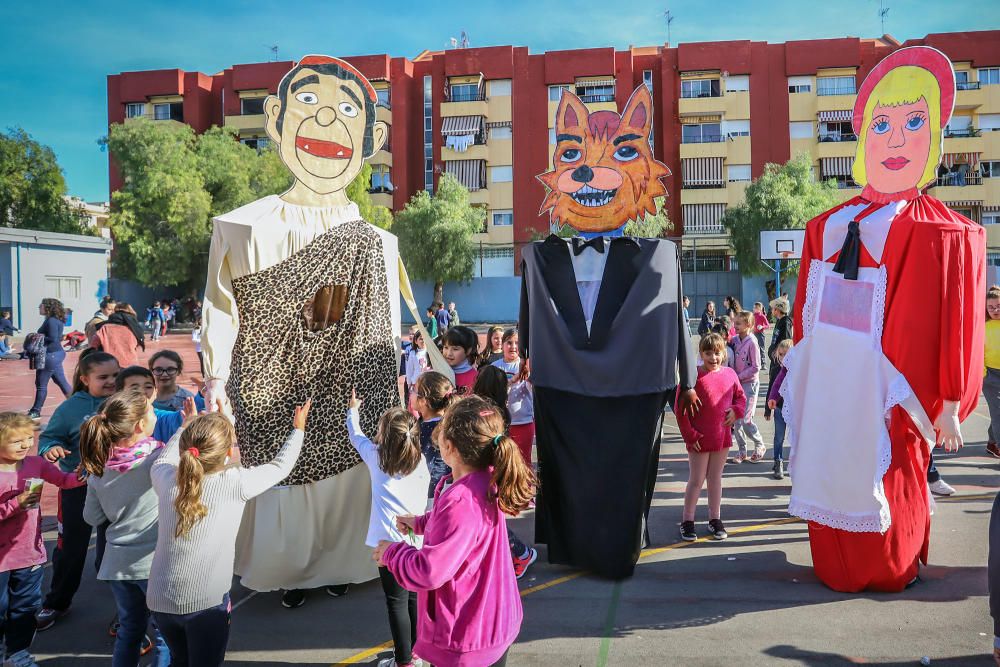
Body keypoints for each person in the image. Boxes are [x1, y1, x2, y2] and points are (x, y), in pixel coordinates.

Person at [782, 47, 985, 593]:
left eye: (915, 122)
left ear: (935, 138)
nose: (896, 139)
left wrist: (948, 401)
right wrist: (801, 372)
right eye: (883, 122)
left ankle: (891, 563)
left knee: (889, 477)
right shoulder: (826, 226)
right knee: (833, 473)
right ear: (863, 133)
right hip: (832, 394)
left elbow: (957, 319)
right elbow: (805, 316)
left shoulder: (943, 231)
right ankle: (840, 563)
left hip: (889, 400)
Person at [148, 399, 311, 665]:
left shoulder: (166, 479)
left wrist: (186, 424)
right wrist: (298, 429)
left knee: (179, 659)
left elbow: (166, 457)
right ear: (227, 454)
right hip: (206, 603)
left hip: (159, 598)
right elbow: (281, 466)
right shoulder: (235, 483)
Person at [375, 396, 532, 667]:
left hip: (466, 638)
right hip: (494, 622)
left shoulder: (461, 500)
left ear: (449, 447)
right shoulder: (488, 477)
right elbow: (467, 532)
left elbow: (429, 572)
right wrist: (422, 522)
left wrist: (392, 553)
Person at [79, 390, 170, 666]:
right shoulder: (157, 460)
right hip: (152, 561)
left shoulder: (99, 466)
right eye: (152, 412)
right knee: (165, 634)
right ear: (141, 425)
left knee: (130, 629)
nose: (155, 416)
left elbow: (91, 518)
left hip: (117, 565)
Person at [35, 351, 121, 630]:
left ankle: (127, 612)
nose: (111, 381)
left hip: (119, 487)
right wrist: (52, 449)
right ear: (84, 379)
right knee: (71, 547)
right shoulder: (71, 407)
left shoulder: (125, 403)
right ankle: (57, 602)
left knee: (117, 549)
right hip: (79, 487)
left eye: (115, 375)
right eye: (103, 377)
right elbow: (49, 438)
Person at [346, 391, 428, 667]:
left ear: (383, 436)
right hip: (417, 542)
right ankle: (416, 652)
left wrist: (353, 410)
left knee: (396, 602)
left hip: (388, 548)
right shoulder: (421, 462)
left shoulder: (376, 458)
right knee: (415, 598)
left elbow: (356, 436)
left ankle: (403, 661)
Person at [0, 412, 84, 666]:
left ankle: (18, 653)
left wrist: (82, 475)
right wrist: (17, 503)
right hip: (2, 559)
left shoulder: (35, 464)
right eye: (16, 441)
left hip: (29, 554)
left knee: (25, 608)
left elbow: (64, 481)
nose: (25, 445)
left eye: (28, 438)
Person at [675, 334, 745, 541]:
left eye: (717, 353)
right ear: (701, 354)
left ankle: (715, 519)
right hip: (699, 440)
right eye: (708, 353)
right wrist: (690, 435)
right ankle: (687, 521)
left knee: (715, 479)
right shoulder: (692, 378)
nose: (713, 357)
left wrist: (736, 411)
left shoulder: (730, 374)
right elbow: (681, 411)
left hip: (721, 438)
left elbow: (740, 397)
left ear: (724, 353)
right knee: (696, 480)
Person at [473, 365, 539, 579]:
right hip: (494, 472)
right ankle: (510, 554)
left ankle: (521, 553)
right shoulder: (499, 410)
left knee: (489, 520)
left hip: (486, 474)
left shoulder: (484, 413)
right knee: (488, 519)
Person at [492, 328, 534, 468]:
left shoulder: (527, 367)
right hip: (500, 425)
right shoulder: (494, 367)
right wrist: (510, 382)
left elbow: (534, 393)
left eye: (517, 343)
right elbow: (490, 393)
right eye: (509, 343)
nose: (513, 346)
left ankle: (524, 490)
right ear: (502, 345)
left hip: (524, 422)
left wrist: (529, 379)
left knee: (523, 462)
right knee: (503, 462)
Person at [413, 371, 457, 498]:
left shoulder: (429, 430)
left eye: (414, 390)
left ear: (424, 401)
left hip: (430, 495)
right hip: (445, 490)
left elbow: (430, 467)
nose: (411, 394)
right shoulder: (449, 423)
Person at [116, 366, 186, 444]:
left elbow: (180, 417)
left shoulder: (160, 417)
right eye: (134, 388)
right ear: (119, 393)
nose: (142, 391)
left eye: (148, 387)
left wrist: (201, 397)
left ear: (155, 392)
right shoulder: (115, 420)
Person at [730, 311, 766, 463]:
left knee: (746, 420)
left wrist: (738, 376)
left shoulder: (752, 342)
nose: (735, 326)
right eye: (735, 323)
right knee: (736, 420)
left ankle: (760, 444)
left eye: (738, 323)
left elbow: (756, 366)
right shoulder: (734, 340)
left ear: (749, 325)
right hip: (736, 385)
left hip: (749, 384)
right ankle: (742, 450)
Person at [28, 299, 71, 420]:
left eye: (40, 306)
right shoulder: (54, 320)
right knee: (62, 382)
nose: (39, 308)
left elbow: (52, 338)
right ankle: (78, 404)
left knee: (41, 384)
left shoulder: (51, 321)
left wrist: (37, 337)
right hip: (55, 354)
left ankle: (35, 411)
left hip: (51, 355)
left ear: (47, 307)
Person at [765, 339, 793, 480]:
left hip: (795, 410)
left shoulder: (798, 369)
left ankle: (795, 464)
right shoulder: (778, 370)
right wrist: (769, 405)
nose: (783, 358)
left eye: (786, 355)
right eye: (780, 355)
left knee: (796, 438)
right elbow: (774, 387)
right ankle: (778, 462)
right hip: (780, 408)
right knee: (779, 437)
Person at [90, 303, 145, 368]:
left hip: (110, 365)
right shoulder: (135, 327)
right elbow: (138, 343)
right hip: (131, 366)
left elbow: (93, 344)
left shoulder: (105, 327)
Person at [441, 325, 479, 395]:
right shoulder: (438, 373)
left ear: (468, 351)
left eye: (455, 349)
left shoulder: (475, 378)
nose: (449, 353)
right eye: (446, 347)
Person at [767, 296, 793, 388]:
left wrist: (780, 355)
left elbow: (786, 341)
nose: (771, 310)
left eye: (773, 308)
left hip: (780, 361)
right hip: (775, 360)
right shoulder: (779, 321)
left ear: (777, 309)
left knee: (777, 386)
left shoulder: (785, 322)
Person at [986, 287, 1000, 459]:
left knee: (997, 412)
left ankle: (992, 442)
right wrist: (983, 374)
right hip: (989, 376)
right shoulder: (982, 327)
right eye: (991, 307)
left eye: (998, 306)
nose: (995, 310)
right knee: (998, 413)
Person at [404, 331, 429, 415]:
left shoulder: (430, 352)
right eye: (421, 339)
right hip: (415, 384)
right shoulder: (413, 353)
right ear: (416, 341)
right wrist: (409, 384)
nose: (423, 341)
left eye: (425, 338)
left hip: (427, 384)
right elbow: (409, 370)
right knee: (414, 406)